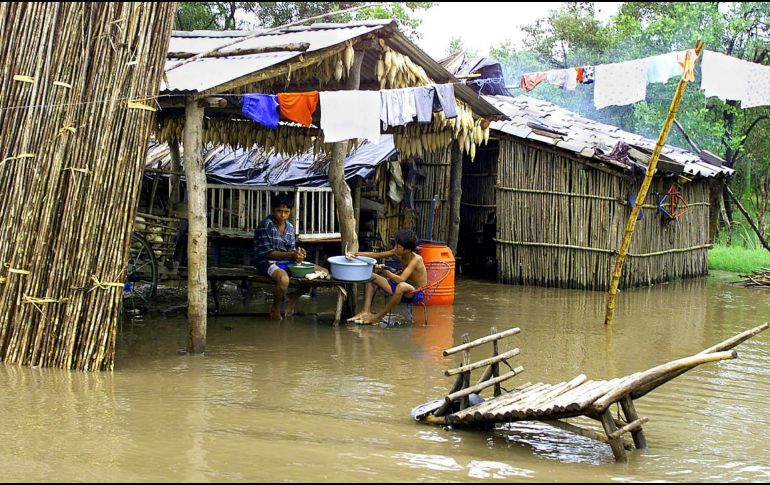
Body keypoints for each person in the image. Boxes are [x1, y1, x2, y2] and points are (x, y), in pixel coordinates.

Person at [348, 229, 427, 325]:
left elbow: (401, 279)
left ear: (407, 250)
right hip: (398, 286)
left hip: (415, 292)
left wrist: (385, 271)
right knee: (370, 276)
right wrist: (355, 254)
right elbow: (377, 255)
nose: (395, 248)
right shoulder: (397, 251)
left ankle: (378, 317)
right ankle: (365, 311)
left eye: (398, 247)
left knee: (401, 285)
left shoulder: (416, 259)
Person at [254, 194, 311, 320]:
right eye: (279, 211)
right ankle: (275, 308)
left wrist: (298, 256)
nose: (283, 215)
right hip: (266, 262)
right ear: (273, 210)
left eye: (286, 212)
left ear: (290, 212)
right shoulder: (266, 225)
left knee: (320, 272)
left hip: (286, 261)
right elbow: (268, 253)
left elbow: (291, 250)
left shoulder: (290, 227)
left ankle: (293, 296)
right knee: (284, 280)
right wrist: (292, 254)